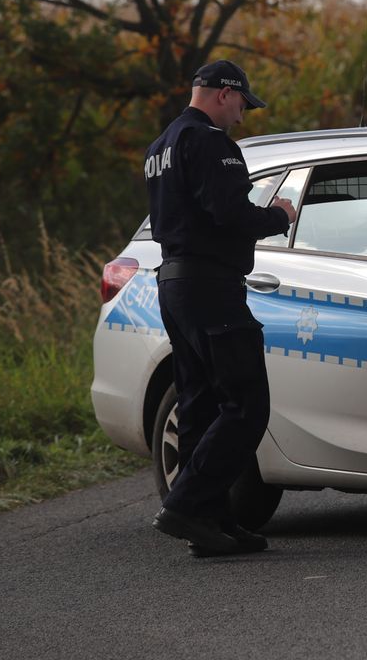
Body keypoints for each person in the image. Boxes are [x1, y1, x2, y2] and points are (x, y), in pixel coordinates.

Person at [145, 60, 297, 557]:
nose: (242, 115)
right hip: (211, 287)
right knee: (246, 405)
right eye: (242, 105)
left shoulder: (160, 147)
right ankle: (186, 505)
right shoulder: (209, 142)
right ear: (223, 94)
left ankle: (210, 523)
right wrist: (279, 216)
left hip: (175, 284)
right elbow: (228, 214)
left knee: (199, 405)